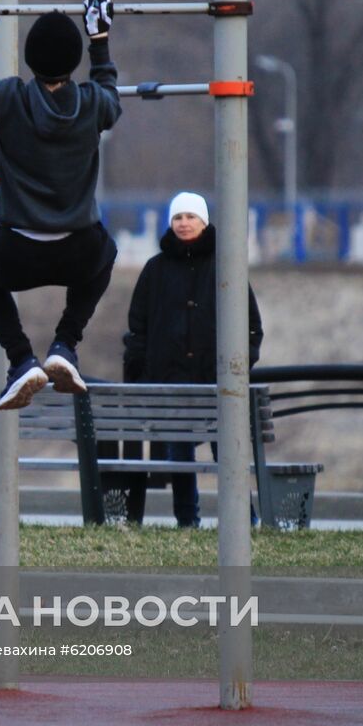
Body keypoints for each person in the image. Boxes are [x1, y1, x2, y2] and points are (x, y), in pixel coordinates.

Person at [0, 0, 122, 410]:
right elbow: (112, 97)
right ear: (73, 63)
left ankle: (21, 359)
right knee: (106, 252)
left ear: (30, 61)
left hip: (18, 250)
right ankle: (65, 344)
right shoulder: (92, 103)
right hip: (78, 248)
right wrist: (99, 38)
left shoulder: (10, 97)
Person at [121, 192, 263, 527]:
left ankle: (245, 519)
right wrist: (141, 374)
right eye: (177, 217)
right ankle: (187, 521)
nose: (183, 224)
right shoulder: (155, 270)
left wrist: (236, 370)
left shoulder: (225, 267)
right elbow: (137, 329)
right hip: (169, 382)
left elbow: (251, 327)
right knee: (179, 451)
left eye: (191, 217)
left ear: (204, 221)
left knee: (225, 452)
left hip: (215, 382)